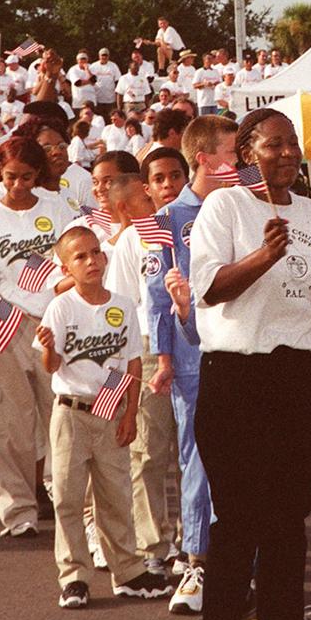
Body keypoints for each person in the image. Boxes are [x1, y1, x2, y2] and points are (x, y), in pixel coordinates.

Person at [188, 109, 311, 620]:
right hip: (239, 375)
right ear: (245, 151)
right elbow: (211, 288)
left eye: (293, 144)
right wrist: (263, 256)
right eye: (273, 143)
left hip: (301, 375)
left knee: (289, 521)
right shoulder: (225, 208)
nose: (287, 152)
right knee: (239, 522)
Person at [34, 226, 174, 608]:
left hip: (109, 410)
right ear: (66, 267)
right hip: (71, 413)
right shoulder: (61, 307)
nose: (91, 261)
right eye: (80, 257)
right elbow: (52, 366)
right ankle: (74, 576)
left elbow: (131, 362)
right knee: (67, 495)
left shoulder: (123, 305)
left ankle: (127, 571)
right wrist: (48, 348)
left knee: (115, 494)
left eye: (96, 252)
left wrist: (130, 413)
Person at [146, 116, 238, 615]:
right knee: (197, 459)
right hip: (192, 357)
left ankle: (243, 565)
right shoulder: (167, 220)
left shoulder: (245, 207)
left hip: (244, 352)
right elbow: (157, 297)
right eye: (231, 153)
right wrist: (164, 357)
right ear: (204, 158)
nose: (239, 163)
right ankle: (198, 560)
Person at [0, 137, 75, 535]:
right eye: (10, 177)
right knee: (10, 424)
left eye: (27, 176)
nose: (19, 185)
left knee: (63, 416)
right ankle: (19, 512)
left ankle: (69, 505)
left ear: (39, 174)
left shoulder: (57, 209)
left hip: (54, 321)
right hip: (7, 322)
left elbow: (74, 264)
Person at [104, 156, 187, 569]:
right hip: (149, 352)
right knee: (150, 454)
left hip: (194, 348)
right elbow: (118, 311)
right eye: (158, 179)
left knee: (193, 454)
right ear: (147, 189)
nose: (168, 184)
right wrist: (126, 372)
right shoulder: (132, 241)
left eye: (176, 176)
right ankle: (154, 544)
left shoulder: (197, 228)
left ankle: (195, 544)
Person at [89, 49, 121, 119]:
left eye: (106, 55)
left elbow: (118, 81)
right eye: (102, 55)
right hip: (97, 99)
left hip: (110, 99)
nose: (104, 57)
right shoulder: (93, 66)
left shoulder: (113, 66)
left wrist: (117, 96)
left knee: (110, 118)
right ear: (99, 56)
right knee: (98, 118)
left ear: (108, 56)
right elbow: (90, 80)